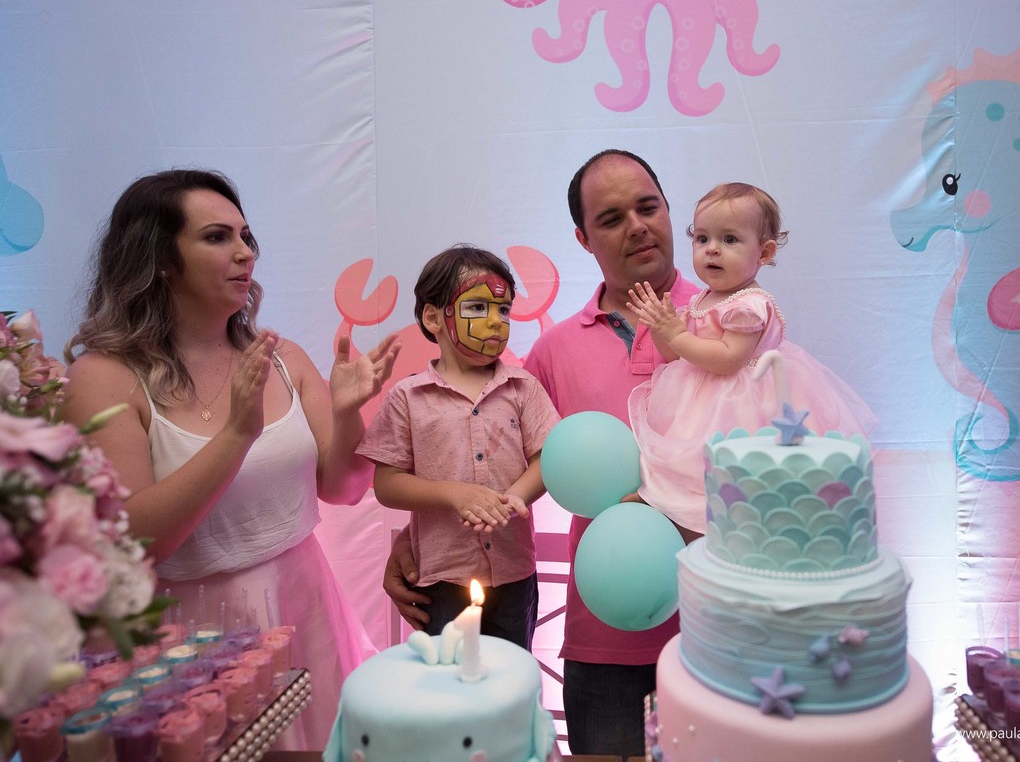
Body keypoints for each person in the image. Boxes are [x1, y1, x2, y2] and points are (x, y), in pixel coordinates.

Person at [61, 169, 400, 751]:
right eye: (218, 237)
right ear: (161, 259)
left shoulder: (281, 355)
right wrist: (236, 435)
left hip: (304, 602)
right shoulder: (104, 377)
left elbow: (342, 488)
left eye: (246, 237)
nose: (245, 253)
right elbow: (138, 542)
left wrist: (348, 414)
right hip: (187, 637)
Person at [383, 149, 698, 756]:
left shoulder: (727, 325)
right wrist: (416, 536)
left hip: (718, 632)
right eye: (611, 218)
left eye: (648, 207)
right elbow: (496, 457)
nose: (636, 225)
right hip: (602, 637)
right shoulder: (552, 352)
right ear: (583, 238)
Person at [626, 182, 878, 536]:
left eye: (729, 240)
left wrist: (678, 335)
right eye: (702, 239)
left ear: (764, 252)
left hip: (743, 403)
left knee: (729, 473)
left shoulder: (749, 305)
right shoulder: (702, 299)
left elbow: (729, 358)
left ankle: (722, 526)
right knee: (687, 465)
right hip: (696, 400)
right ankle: (671, 508)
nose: (712, 250)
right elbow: (676, 357)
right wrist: (661, 328)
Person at [357, 245, 559, 650]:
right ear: (433, 317)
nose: (495, 323)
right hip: (440, 579)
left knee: (509, 680)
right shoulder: (407, 397)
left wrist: (511, 499)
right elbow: (387, 483)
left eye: (503, 311)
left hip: (514, 574)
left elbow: (547, 458)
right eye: (477, 308)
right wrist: (454, 494)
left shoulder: (523, 388)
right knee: (447, 686)